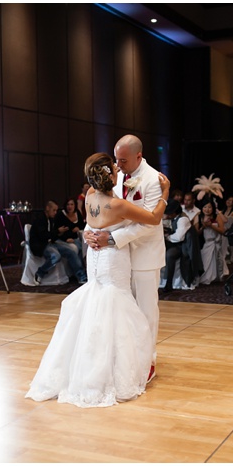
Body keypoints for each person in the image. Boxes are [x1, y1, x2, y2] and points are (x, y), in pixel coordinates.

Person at [26, 152, 170, 408]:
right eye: (114, 167)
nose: (118, 168)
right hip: (113, 258)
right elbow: (154, 218)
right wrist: (165, 194)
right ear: (112, 177)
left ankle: (88, 364)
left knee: (96, 304)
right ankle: (110, 370)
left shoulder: (90, 196)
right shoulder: (118, 206)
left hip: (95, 259)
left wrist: (88, 235)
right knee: (116, 306)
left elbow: (90, 227)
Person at [82, 134, 165, 383]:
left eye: (122, 160)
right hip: (117, 256)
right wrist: (89, 231)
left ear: (138, 156)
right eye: (115, 159)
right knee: (119, 310)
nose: (117, 165)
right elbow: (102, 206)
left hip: (143, 254)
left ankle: (147, 361)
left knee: (146, 311)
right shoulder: (113, 176)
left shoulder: (153, 180)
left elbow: (150, 223)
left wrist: (112, 239)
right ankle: (123, 358)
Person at [30, 200, 88, 285]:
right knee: (55, 256)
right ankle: (40, 273)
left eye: (56, 210)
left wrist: (59, 233)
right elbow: (43, 236)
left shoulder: (50, 219)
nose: (55, 212)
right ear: (47, 208)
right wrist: (57, 231)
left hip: (50, 242)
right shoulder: (40, 219)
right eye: (54, 210)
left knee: (71, 251)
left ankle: (82, 276)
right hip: (41, 244)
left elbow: (52, 235)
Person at [161, 199, 193, 292]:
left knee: (169, 255)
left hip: (182, 246)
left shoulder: (183, 219)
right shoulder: (174, 218)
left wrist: (167, 237)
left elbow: (179, 237)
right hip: (173, 243)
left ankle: (169, 283)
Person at [196, 200, 226, 285]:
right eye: (205, 207)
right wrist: (203, 226)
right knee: (206, 261)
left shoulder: (217, 217)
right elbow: (197, 233)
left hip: (215, 242)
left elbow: (222, 231)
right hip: (206, 243)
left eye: (209, 207)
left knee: (217, 260)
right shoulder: (199, 217)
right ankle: (206, 277)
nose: (207, 209)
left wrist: (211, 226)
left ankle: (216, 277)